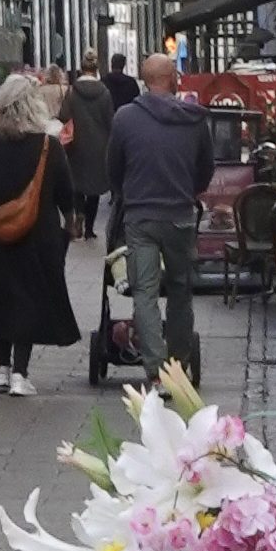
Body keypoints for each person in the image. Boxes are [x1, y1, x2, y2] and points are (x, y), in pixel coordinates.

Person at [0, 70, 80, 399]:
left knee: (1, 299)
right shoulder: (48, 146)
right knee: (28, 302)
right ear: (33, 106)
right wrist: (71, 222)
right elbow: (66, 192)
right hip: (38, 237)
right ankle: (20, 374)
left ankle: (1, 369)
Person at [104, 46, 214, 380]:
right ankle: (178, 366)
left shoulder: (125, 118)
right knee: (181, 291)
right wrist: (187, 191)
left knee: (145, 293)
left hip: (140, 217)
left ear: (145, 80)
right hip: (180, 215)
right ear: (173, 79)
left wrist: (128, 193)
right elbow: (205, 170)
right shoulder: (194, 120)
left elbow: (113, 169)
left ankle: (155, 371)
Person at [62, 59, 119, 220]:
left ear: (81, 69)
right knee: (95, 185)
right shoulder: (104, 93)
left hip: (76, 143)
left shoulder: (72, 91)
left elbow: (63, 115)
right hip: (99, 144)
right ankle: (89, 227)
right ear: (96, 70)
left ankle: (79, 212)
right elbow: (110, 120)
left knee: (77, 181)